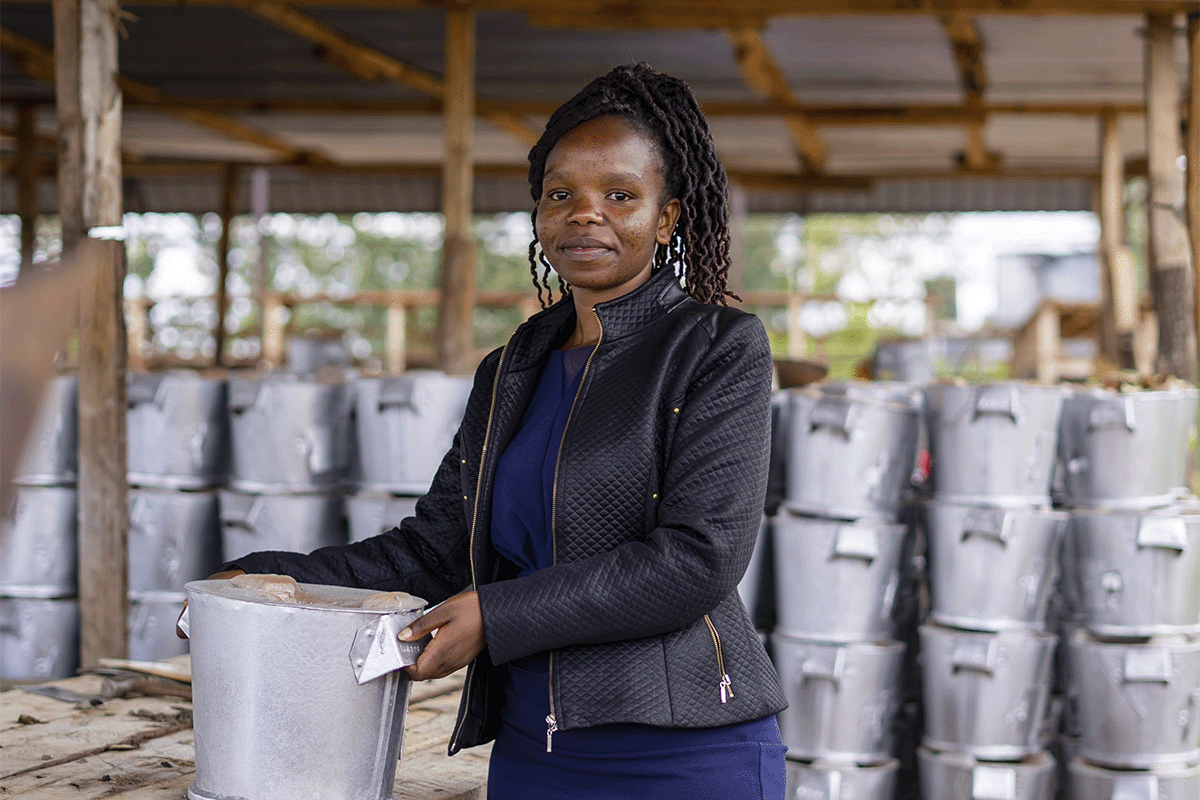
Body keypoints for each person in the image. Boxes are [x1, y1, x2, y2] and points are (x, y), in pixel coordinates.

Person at [218, 63, 787, 799]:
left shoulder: (717, 347)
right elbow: (436, 549)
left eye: (620, 195)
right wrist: (282, 578)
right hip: (531, 750)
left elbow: (697, 560)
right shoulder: (513, 367)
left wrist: (498, 615)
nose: (586, 215)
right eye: (561, 195)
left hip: (682, 752)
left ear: (668, 216)